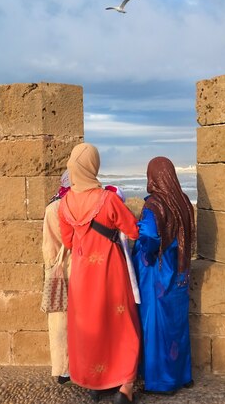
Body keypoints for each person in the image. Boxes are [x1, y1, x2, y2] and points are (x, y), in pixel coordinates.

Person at [58, 143, 141, 404]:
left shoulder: (64, 203)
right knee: (121, 323)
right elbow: (133, 230)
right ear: (94, 166)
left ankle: (96, 382)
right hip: (111, 270)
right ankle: (124, 385)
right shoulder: (108, 199)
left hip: (82, 274)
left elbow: (69, 242)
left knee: (90, 325)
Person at [132, 156, 195, 394]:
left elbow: (148, 238)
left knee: (156, 325)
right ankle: (183, 375)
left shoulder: (154, 205)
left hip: (157, 273)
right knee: (178, 325)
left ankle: (161, 381)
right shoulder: (184, 201)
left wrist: (138, 248)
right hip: (179, 271)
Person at [41, 170, 72, 384]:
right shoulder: (77, 205)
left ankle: (63, 369)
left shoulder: (53, 207)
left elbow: (49, 247)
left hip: (59, 269)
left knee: (60, 319)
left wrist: (50, 267)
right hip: (80, 266)